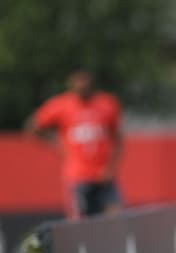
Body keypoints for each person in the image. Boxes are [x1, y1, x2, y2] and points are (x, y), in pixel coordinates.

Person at [25, 69, 123, 219]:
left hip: (103, 175)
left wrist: (110, 167)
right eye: (78, 81)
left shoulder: (107, 104)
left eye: (85, 80)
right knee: (79, 221)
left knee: (115, 217)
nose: (82, 85)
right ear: (70, 83)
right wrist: (56, 144)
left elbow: (117, 138)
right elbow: (33, 126)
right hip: (78, 175)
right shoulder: (60, 105)